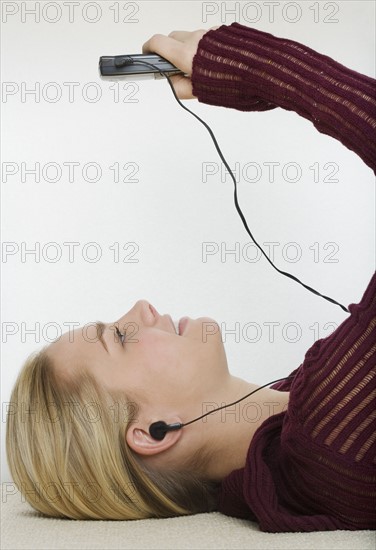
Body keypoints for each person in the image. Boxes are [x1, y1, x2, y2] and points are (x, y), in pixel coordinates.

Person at [6, 23, 375, 532]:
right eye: (116, 337)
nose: (140, 309)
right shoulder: (330, 440)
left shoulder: (306, 417)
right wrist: (264, 68)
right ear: (155, 432)